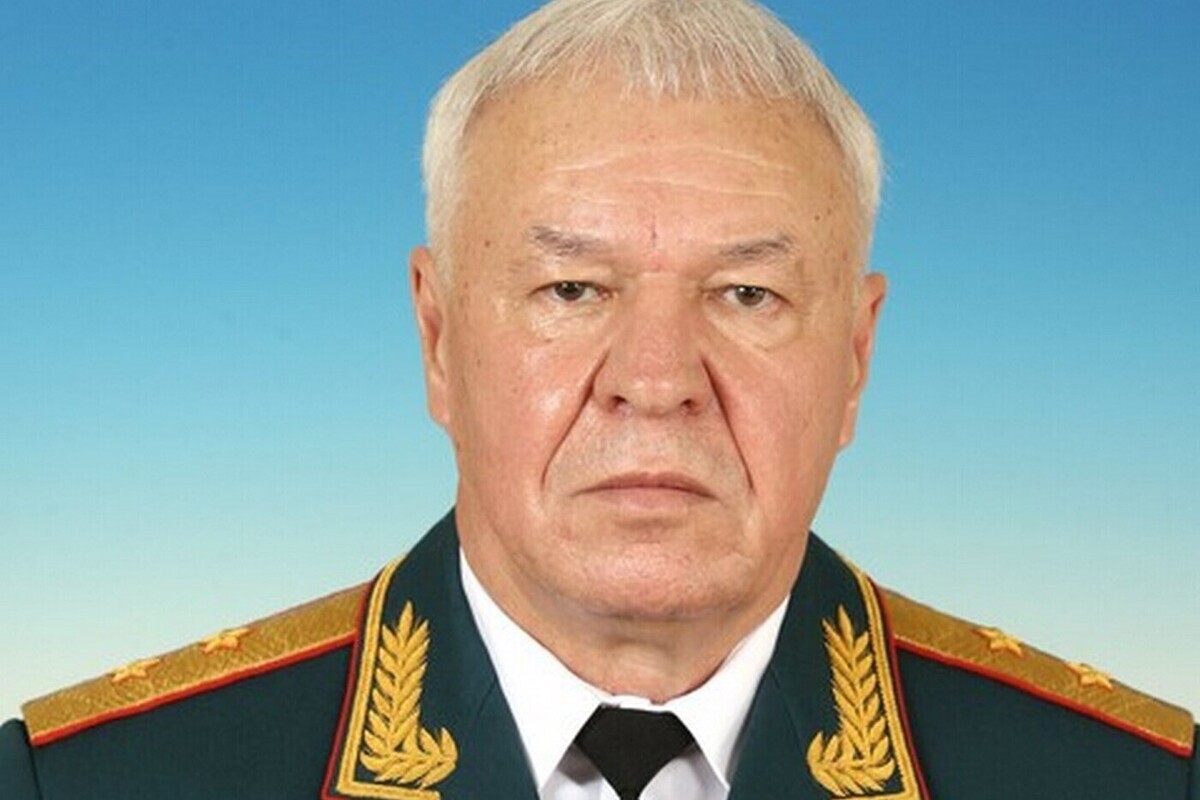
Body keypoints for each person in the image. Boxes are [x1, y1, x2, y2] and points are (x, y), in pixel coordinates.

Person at [1, 0, 1195, 798]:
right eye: (571, 288)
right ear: (436, 336)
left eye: (747, 293)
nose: (657, 381)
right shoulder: (93, 781)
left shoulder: (1130, 779)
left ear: (857, 357)